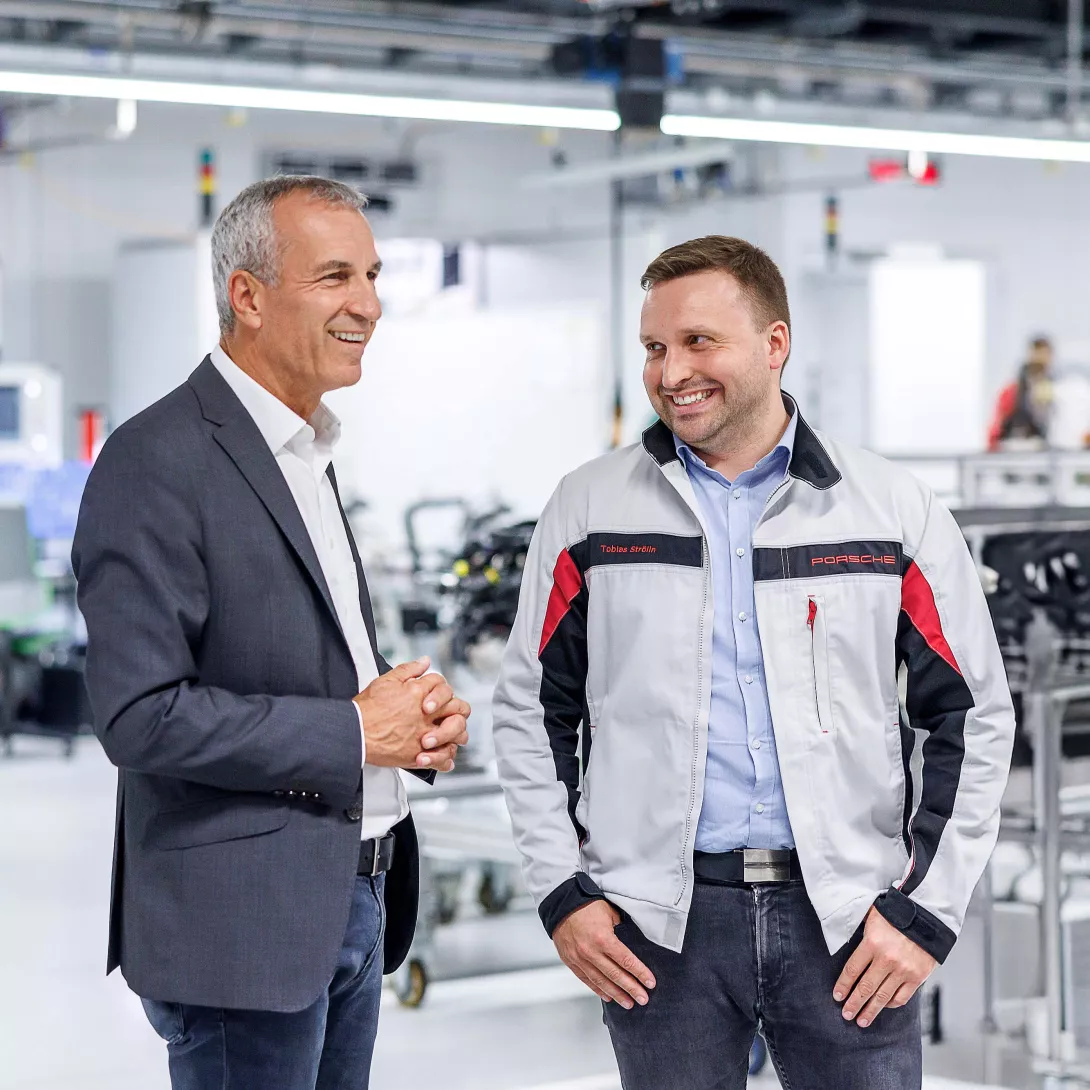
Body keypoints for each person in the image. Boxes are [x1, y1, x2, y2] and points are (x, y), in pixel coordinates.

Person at [493, 235, 1015, 1089]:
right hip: (658, 932)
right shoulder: (589, 511)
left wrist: (923, 910)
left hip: (847, 926)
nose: (671, 373)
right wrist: (564, 894)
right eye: (655, 348)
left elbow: (973, 713)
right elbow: (529, 707)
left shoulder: (889, 510)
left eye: (699, 342)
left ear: (775, 344)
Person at [71, 175, 470, 1090]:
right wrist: (358, 732)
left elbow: (315, 661)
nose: (368, 304)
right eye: (334, 276)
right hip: (241, 931)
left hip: (355, 895)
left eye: (371, 275)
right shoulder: (156, 460)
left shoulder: (305, 452)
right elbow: (140, 715)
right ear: (246, 296)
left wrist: (412, 721)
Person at [987, 335, 1053, 450]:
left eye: (1045, 354)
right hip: (1017, 444)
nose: (1042, 359)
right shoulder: (1013, 390)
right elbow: (999, 421)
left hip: (1043, 447)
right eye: (1038, 353)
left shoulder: (1054, 385)